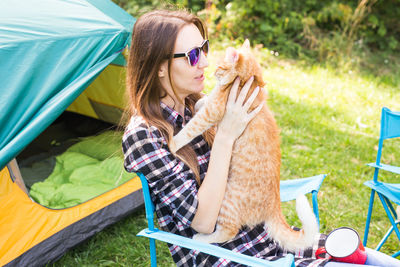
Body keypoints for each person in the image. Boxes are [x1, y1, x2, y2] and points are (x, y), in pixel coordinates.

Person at [122, 9, 400, 267]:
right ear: (159, 66)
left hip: (265, 239)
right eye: (193, 55)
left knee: (370, 258)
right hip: (228, 256)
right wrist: (226, 135)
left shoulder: (200, 105)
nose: (205, 62)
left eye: (204, 48)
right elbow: (203, 223)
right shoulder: (144, 135)